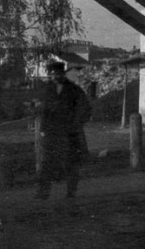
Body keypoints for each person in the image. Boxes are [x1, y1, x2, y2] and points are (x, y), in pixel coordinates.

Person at [36, 62, 92, 200]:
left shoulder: (74, 90)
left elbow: (85, 109)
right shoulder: (48, 90)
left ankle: (71, 193)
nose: (55, 77)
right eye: (52, 74)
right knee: (47, 163)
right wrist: (43, 129)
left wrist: (75, 125)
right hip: (52, 132)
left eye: (57, 74)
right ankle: (43, 193)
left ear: (63, 74)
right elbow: (44, 111)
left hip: (69, 133)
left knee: (70, 163)